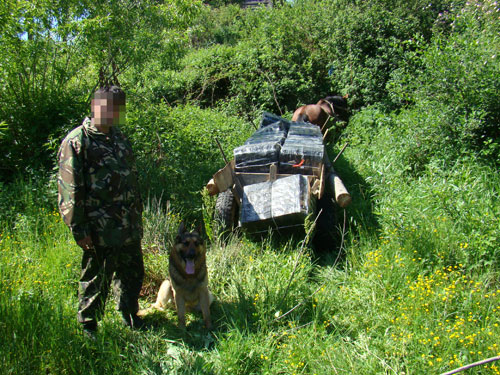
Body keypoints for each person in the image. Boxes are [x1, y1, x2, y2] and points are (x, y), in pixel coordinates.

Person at [58, 85, 145, 338]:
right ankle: (88, 327)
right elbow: (69, 188)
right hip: (99, 228)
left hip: (128, 224)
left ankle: (129, 316)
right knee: (97, 278)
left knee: (133, 272)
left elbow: (131, 177)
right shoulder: (78, 141)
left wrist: (137, 212)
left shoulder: (120, 138)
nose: (116, 112)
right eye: (111, 107)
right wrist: (79, 228)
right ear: (96, 106)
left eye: (119, 107)